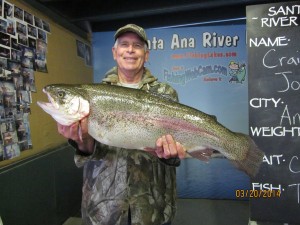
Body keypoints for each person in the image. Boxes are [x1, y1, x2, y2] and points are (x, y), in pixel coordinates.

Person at [57, 24, 186, 225]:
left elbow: (174, 152)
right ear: (115, 53)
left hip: (152, 206)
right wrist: (81, 141)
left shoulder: (165, 94)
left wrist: (171, 155)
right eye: (124, 44)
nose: (130, 50)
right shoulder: (94, 94)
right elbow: (89, 151)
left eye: (137, 45)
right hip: (104, 207)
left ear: (146, 54)